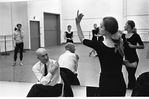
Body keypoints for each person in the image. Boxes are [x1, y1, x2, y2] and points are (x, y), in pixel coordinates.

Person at [75, 10, 126, 96]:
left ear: (108, 31)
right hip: (120, 83)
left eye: (101, 27)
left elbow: (82, 39)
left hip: (106, 83)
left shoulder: (99, 45)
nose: (99, 28)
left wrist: (77, 24)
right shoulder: (120, 43)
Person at [122, 20, 145, 90]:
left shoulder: (136, 36)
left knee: (131, 74)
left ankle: (131, 88)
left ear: (129, 26)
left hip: (133, 58)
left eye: (126, 24)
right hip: (127, 58)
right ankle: (135, 87)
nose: (124, 25)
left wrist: (133, 46)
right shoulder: (123, 36)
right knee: (130, 74)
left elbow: (142, 46)